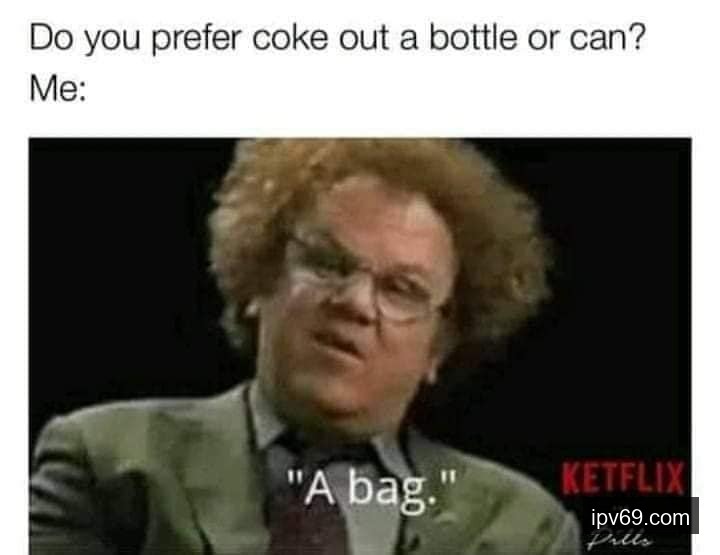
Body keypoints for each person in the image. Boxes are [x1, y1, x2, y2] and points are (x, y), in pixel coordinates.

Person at [30, 139, 581, 554]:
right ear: (258, 279)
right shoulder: (107, 462)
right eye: (328, 263)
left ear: (440, 345)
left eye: (402, 289)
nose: (355, 303)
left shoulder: (524, 529)